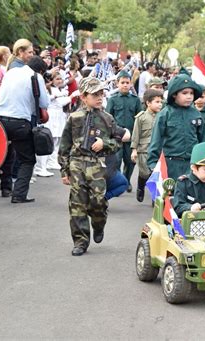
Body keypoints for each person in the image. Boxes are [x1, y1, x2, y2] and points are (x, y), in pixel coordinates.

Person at [58, 77, 121, 256]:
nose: (99, 98)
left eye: (101, 94)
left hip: (96, 164)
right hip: (77, 162)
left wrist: (105, 143)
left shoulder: (107, 118)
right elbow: (65, 145)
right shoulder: (74, 117)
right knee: (77, 204)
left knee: (98, 201)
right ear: (84, 96)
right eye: (95, 94)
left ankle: (98, 224)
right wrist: (64, 170)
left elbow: (118, 141)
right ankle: (80, 241)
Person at [0, 56, 49, 202]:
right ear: (41, 70)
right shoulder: (36, 76)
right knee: (27, 160)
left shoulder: (11, 72)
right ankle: (19, 195)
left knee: (8, 153)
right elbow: (44, 102)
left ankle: (6, 188)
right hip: (20, 122)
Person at [147, 73, 205, 180]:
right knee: (169, 195)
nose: (189, 96)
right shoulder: (165, 114)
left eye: (191, 93)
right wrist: (153, 164)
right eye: (184, 93)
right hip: (170, 165)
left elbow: (203, 141)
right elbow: (156, 141)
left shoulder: (197, 115)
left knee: (191, 196)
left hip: (191, 166)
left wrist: (204, 163)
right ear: (174, 94)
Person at [106, 70, 142, 192]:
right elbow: (108, 118)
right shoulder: (113, 99)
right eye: (122, 82)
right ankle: (119, 181)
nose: (125, 85)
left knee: (130, 161)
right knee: (116, 160)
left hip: (131, 135)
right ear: (117, 84)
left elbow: (139, 118)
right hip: (117, 136)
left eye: (127, 82)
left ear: (131, 84)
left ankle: (127, 181)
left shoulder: (135, 100)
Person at [173, 141, 205, 218]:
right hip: (187, 222)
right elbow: (177, 207)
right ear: (193, 168)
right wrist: (190, 207)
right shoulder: (183, 183)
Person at [131, 89, 163, 202]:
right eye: (157, 102)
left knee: (156, 175)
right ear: (148, 103)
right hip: (144, 150)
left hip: (158, 150)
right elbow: (136, 134)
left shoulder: (163, 116)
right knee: (145, 173)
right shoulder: (141, 117)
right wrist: (134, 150)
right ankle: (141, 186)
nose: (160, 104)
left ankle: (156, 199)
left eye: (161, 102)